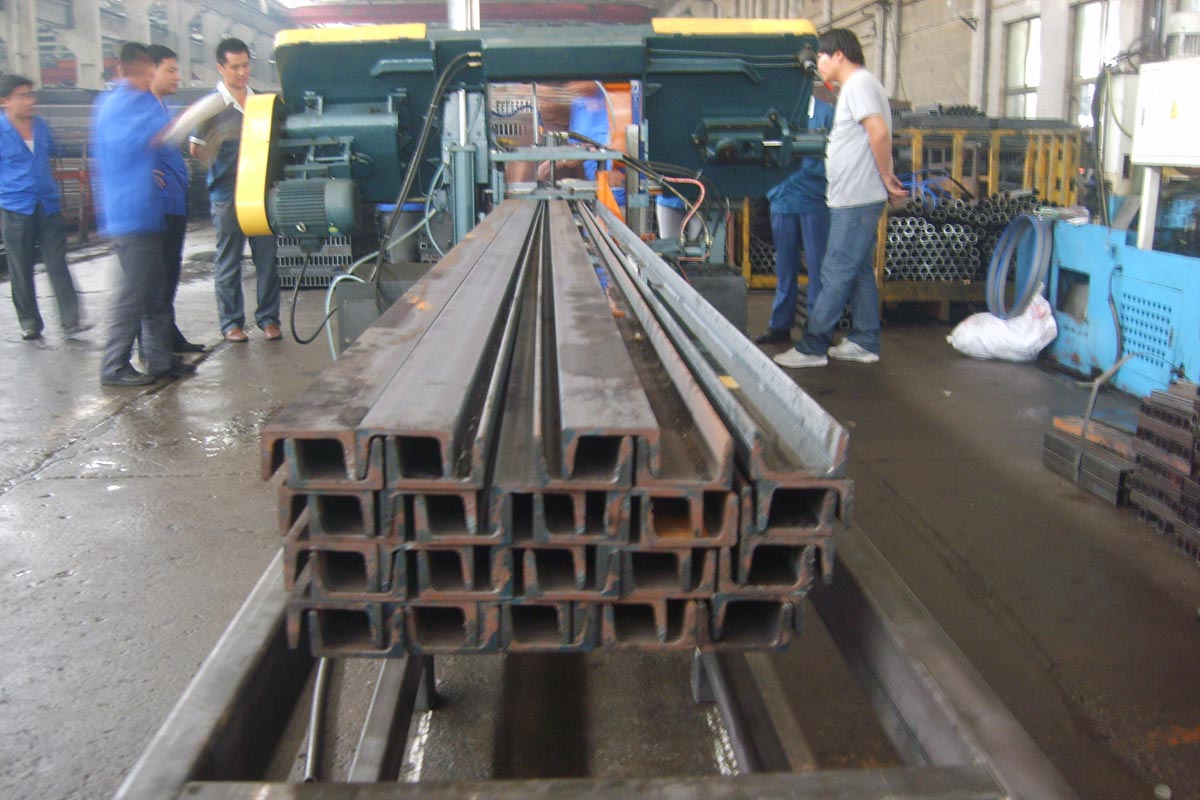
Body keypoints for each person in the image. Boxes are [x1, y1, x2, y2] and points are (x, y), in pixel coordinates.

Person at [774, 29, 906, 369]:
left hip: (856, 198)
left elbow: (878, 132)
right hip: (854, 196)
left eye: (821, 56)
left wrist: (886, 176)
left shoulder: (858, 85)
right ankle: (865, 340)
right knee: (858, 270)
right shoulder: (858, 86)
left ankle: (812, 347)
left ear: (839, 55)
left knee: (835, 271)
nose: (818, 63)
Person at [93, 42, 194, 387]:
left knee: (155, 290)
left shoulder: (141, 102)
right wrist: (176, 124)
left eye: (148, 73)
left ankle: (161, 360)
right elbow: (138, 141)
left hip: (147, 211)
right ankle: (113, 365)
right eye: (140, 74)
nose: (144, 79)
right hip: (129, 214)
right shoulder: (116, 105)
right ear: (122, 71)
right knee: (134, 293)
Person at [189, 38, 281, 344]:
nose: (242, 72)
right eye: (235, 67)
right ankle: (231, 323)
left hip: (261, 195)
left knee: (267, 260)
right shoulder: (212, 108)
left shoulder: (262, 104)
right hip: (226, 196)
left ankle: (269, 320)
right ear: (221, 68)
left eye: (245, 65)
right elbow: (196, 149)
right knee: (229, 260)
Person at [0, 74, 84, 340]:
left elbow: (53, 157)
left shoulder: (41, 127)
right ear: (4, 101)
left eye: (30, 95)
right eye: (22, 96)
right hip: (15, 207)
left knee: (57, 262)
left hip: (47, 205)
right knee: (21, 267)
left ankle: (70, 319)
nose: (29, 101)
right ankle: (29, 322)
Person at [755, 92, 834, 344]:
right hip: (783, 198)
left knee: (818, 267)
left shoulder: (826, 113)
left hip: (815, 199)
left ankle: (817, 329)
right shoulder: (775, 110)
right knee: (785, 266)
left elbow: (835, 154)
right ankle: (780, 325)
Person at [148, 44, 203, 354]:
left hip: (174, 203)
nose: (177, 76)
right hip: (158, 207)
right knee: (156, 280)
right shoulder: (142, 110)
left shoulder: (162, 109)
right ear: (150, 71)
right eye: (170, 70)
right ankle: (154, 344)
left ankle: (168, 333)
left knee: (170, 275)